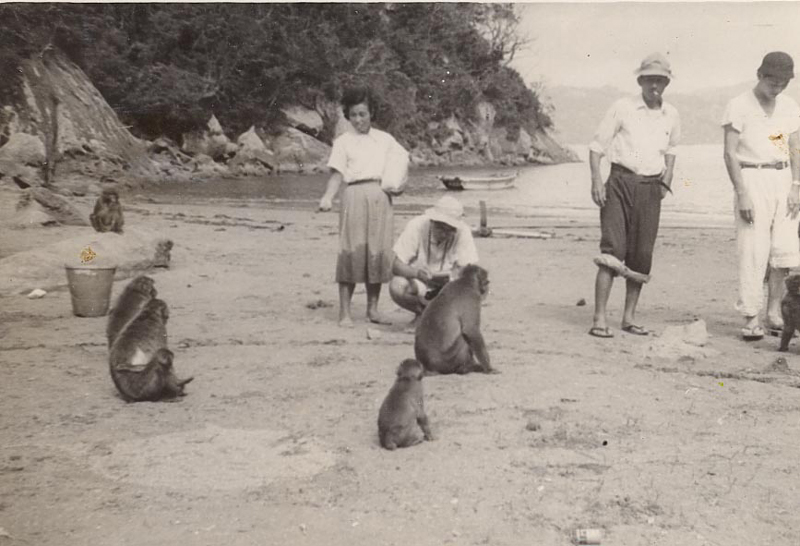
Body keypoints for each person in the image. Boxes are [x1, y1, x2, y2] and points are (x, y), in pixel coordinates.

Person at [588, 53, 681, 338]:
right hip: (619, 183)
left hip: (651, 189)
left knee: (642, 254)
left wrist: (668, 176)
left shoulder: (672, 114)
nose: (655, 85)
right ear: (640, 80)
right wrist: (596, 181)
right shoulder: (622, 107)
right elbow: (596, 147)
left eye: (661, 80)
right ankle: (599, 318)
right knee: (613, 250)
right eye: (650, 79)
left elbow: (673, 149)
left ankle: (629, 318)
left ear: (666, 83)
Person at [722, 51, 800, 341]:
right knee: (753, 250)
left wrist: (796, 185)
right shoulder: (738, 105)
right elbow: (730, 152)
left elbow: (795, 146)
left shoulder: (789, 106)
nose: (777, 87)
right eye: (772, 80)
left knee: (784, 251)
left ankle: (773, 312)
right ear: (760, 74)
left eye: (783, 82)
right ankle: (751, 317)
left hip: (783, 180)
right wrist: (742, 192)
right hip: (752, 178)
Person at [318, 86, 407, 327]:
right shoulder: (343, 142)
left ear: (372, 113)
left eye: (363, 114)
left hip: (381, 196)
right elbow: (336, 175)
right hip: (354, 196)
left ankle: (373, 310)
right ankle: (345, 313)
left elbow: (400, 167)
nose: (358, 119)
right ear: (347, 115)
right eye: (354, 114)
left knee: (376, 253)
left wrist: (398, 187)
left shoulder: (386, 140)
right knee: (351, 252)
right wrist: (327, 197)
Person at [389, 195, 479, 322]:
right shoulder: (417, 225)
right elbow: (396, 265)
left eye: (450, 230)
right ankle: (423, 313)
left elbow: (469, 269)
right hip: (420, 281)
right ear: (433, 221)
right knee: (397, 285)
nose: (445, 234)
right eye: (441, 228)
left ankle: (442, 316)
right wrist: (418, 274)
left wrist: (454, 278)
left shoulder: (463, 231)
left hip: (449, 285)